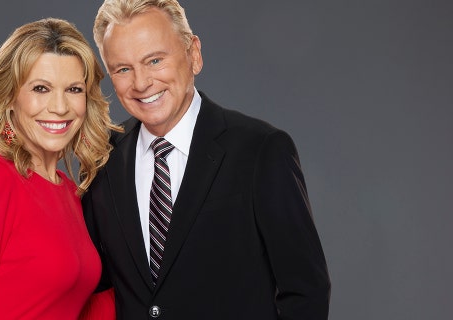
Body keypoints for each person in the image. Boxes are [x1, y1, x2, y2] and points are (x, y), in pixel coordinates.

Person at [82, 0, 331, 319]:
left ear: (193, 54)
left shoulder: (260, 150)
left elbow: (307, 290)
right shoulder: (103, 158)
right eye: (123, 69)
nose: (142, 83)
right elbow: (88, 281)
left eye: (155, 60)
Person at [0, 18, 119, 319]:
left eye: (74, 89)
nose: (60, 107)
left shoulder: (71, 193)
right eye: (41, 88)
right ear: (10, 98)